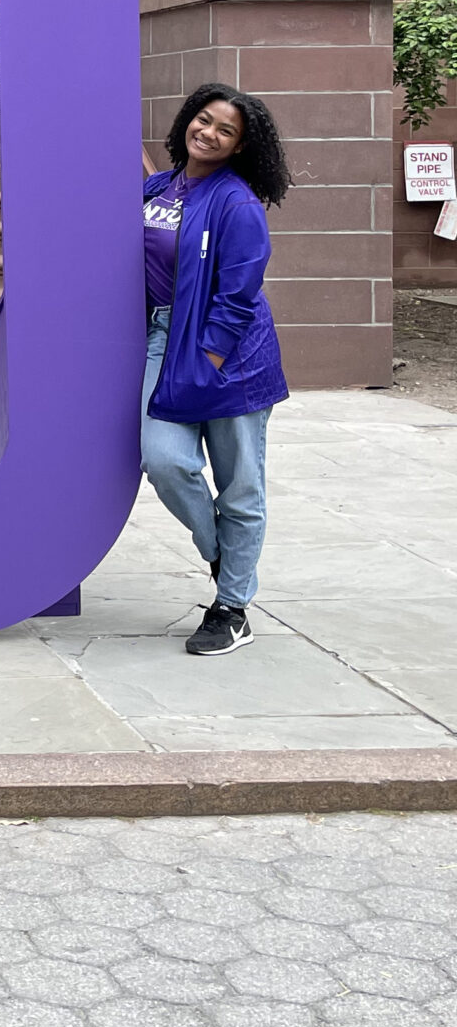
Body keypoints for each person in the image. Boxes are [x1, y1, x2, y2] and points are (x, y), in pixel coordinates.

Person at [142, 82, 291, 658]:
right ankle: (221, 554)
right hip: (161, 337)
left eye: (225, 130)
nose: (208, 133)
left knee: (240, 486)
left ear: (238, 147)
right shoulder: (156, 187)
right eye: (203, 121)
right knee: (164, 459)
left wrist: (208, 358)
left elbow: (240, 293)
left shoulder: (237, 202)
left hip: (229, 356)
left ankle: (231, 609)